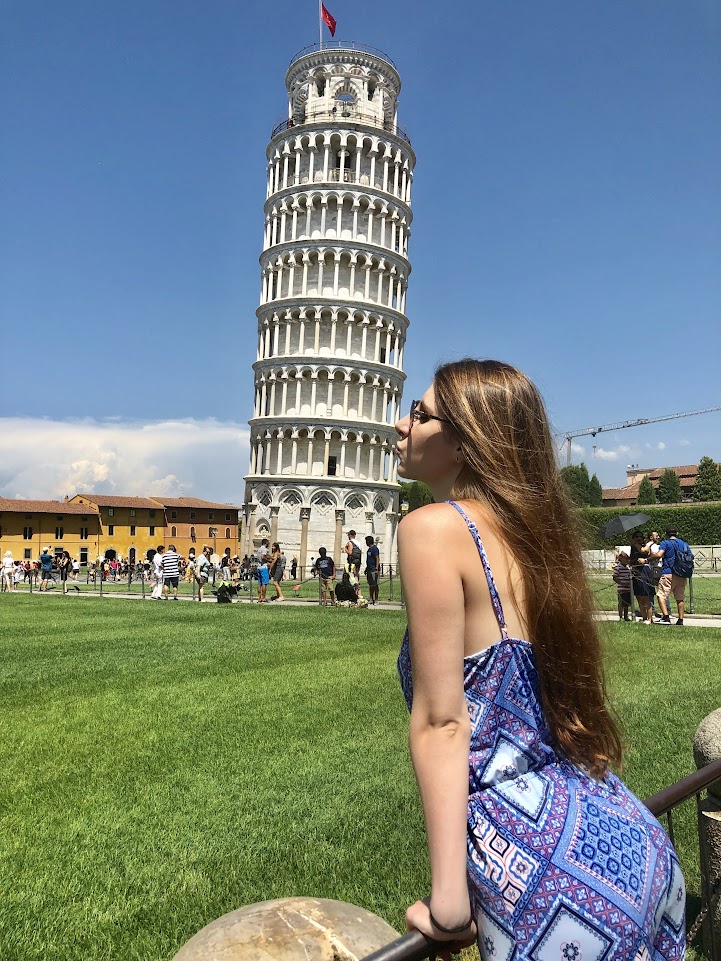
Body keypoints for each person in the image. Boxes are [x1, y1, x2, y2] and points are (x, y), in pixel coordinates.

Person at [394, 360, 684, 960]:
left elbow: (444, 722)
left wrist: (450, 903)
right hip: (628, 840)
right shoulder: (537, 537)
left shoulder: (431, 530)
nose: (403, 425)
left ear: (465, 440)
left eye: (421, 415)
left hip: (545, 872)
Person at [656, 527, 691, 626]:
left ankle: (666, 617)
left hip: (668, 572)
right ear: (677, 533)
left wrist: (647, 559)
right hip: (682, 574)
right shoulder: (684, 544)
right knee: (680, 598)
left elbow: (659, 554)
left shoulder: (665, 543)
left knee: (661, 595)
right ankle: (680, 620)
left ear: (666, 534)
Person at [629, 532, 653, 624]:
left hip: (644, 571)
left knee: (646, 596)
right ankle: (644, 617)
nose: (638, 538)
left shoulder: (645, 546)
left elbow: (643, 551)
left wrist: (634, 542)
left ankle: (650, 619)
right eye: (636, 537)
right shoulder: (633, 547)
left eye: (640, 537)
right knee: (639, 596)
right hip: (635, 571)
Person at [612, 551, 632, 621]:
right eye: (626, 559)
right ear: (621, 559)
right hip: (621, 589)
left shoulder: (628, 568)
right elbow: (614, 577)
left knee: (627, 604)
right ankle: (620, 617)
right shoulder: (618, 568)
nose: (627, 561)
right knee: (621, 603)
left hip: (628, 589)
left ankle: (626, 616)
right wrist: (621, 583)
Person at [364, 535, 380, 605]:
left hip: (374, 570)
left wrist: (376, 569)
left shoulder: (374, 549)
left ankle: (376, 600)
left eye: (366, 541)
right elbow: (369, 560)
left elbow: (377, 558)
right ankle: (371, 598)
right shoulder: (369, 550)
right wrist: (366, 569)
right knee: (371, 585)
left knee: (375, 585)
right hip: (369, 570)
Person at [257, 538, 270, 603]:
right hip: (263, 567)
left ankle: (259, 597)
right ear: (266, 543)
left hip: (259, 567)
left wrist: (269, 557)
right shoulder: (264, 549)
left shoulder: (259, 549)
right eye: (268, 543)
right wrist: (269, 560)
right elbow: (263, 557)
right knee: (264, 583)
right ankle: (263, 597)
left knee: (259, 583)